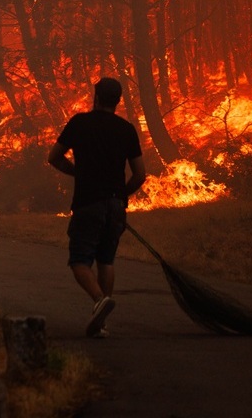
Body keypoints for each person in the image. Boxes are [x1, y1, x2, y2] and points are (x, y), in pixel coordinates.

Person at [48, 77, 147, 338]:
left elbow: (54, 157)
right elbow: (139, 175)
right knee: (106, 260)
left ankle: (99, 300)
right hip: (114, 205)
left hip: (88, 202)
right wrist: (118, 196)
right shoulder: (126, 129)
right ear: (118, 101)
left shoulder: (79, 123)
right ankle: (101, 322)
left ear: (96, 97)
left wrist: (75, 173)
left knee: (80, 260)